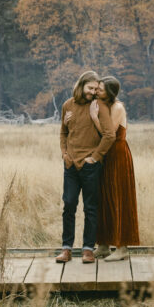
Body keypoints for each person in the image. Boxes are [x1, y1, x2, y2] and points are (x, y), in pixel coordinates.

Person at [56, 70, 115, 264]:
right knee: (69, 205)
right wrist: (64, 154)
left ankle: (88, 249)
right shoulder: (68, 106)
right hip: (71, 165)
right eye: (90, 88)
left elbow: (109, 135)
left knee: (90, 208)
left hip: (90, 166)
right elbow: (63, 132)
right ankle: (66, 249)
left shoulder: (99, 106)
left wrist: (96, 157)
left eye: (96, 89)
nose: (93, 92)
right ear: (81, 85)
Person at [91, 76, 140, 261]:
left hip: (118, 155)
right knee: (104, 199)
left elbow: (109, 133)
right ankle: (103, 245)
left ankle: (122, 248)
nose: (97, 92)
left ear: (110, 92)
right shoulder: (102, 105)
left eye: (101, 89)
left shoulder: (117, 107)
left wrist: (95, 118)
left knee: (119, 199)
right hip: (106, 156)